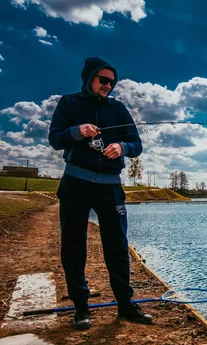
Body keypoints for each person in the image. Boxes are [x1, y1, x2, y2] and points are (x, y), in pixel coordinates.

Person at [48, 56, 152, 330]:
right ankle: (81, 307)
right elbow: (55, 139)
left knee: (117, 246)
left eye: (112, 82)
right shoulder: (69, 103)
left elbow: (136, 144)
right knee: (73, 245)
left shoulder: (118, 109)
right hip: (75, 183)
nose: (108, 85)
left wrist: (122, 148)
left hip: (110, 186)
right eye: (103, 80)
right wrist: (77, 131)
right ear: (89, 78)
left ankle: (126, 305)